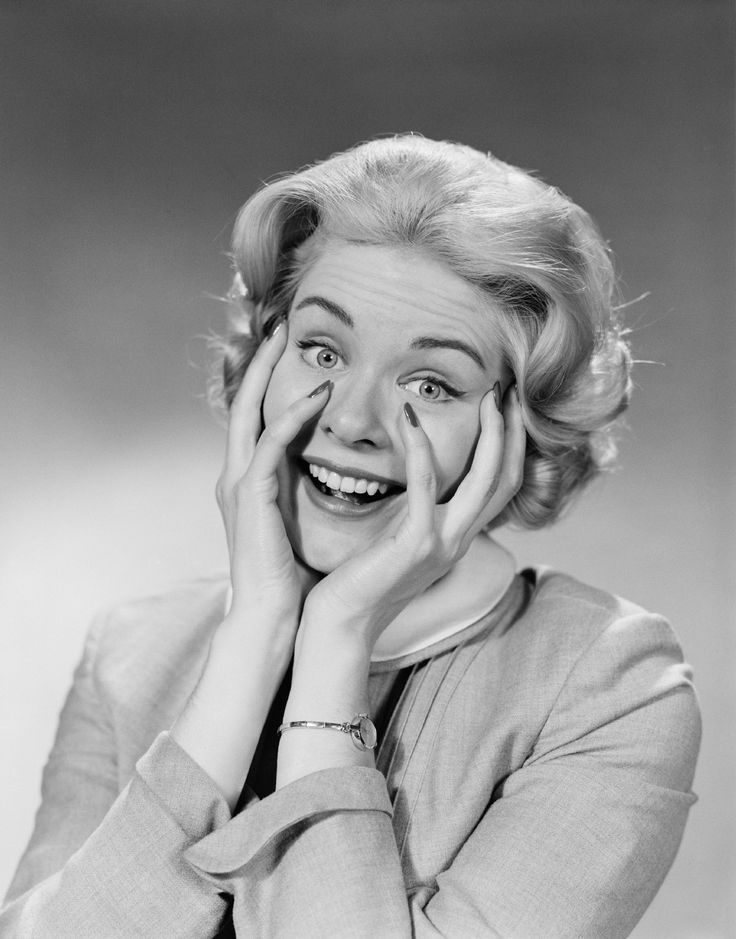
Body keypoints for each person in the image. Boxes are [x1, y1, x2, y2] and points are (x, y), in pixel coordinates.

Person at [2, 135, 700, 938]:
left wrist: (334, 643)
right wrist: (257, 634)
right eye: (322, 349)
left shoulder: (608, 688)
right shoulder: (131, 651)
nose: (351, 419)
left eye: (430, 382)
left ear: (517, 429)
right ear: (262, 359)